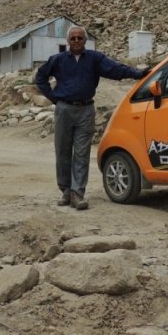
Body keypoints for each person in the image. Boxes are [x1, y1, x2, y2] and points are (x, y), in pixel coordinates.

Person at [35, 26, 150, 210]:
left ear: (85, 40)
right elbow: (40, 77)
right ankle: (65, 191)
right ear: (68, 41)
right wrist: (54, 98)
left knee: (81, 153)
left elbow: (115, 69)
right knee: (63, 151)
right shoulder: (57, 60)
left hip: (86, 110)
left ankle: (77, 193)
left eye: (80, 38)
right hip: (64, 109)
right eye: (73, 38)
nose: (77, 41)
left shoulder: (95, 59)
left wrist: (138, 74)